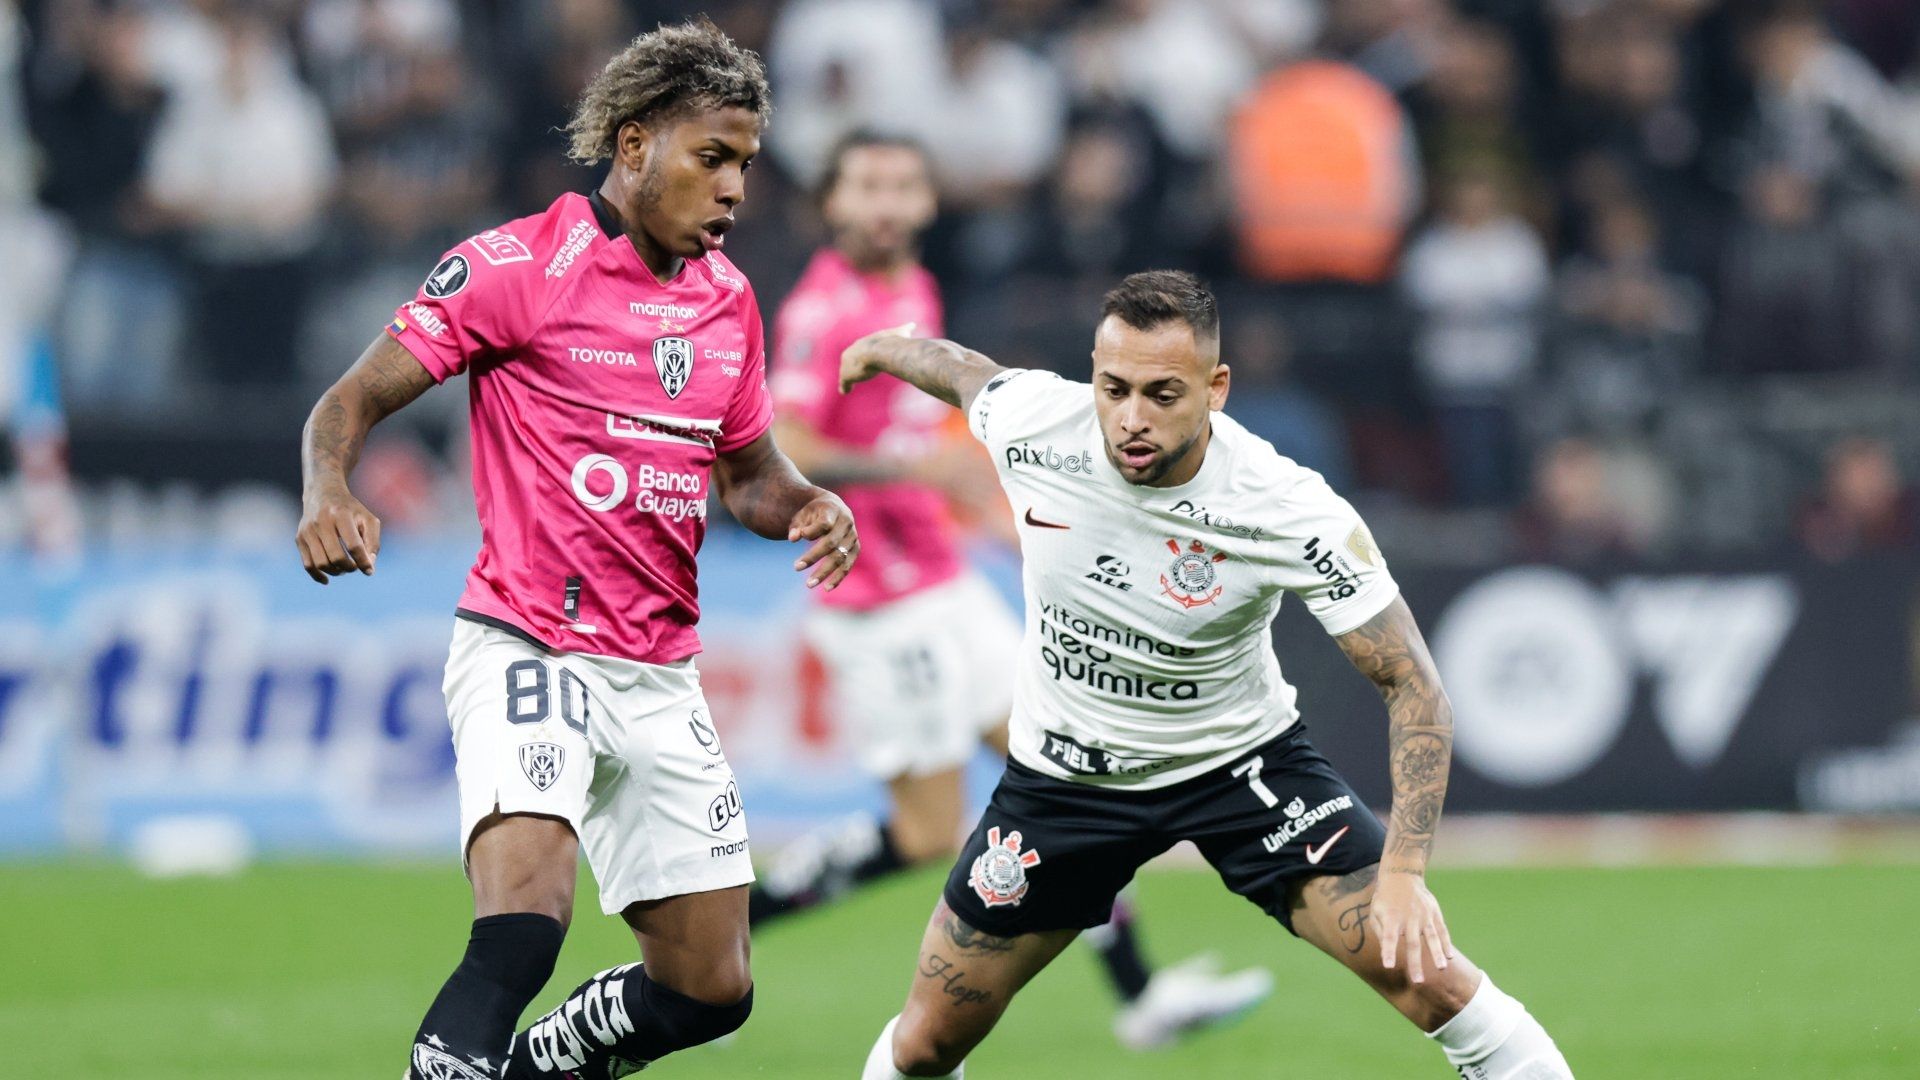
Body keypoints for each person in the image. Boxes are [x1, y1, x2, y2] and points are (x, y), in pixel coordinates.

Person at [294, 21, 861, 1080]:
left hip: (656, 670)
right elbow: (350, 399)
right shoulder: (515, 267)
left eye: (746, 162)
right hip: (527, 640)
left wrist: (811, 506)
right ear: (635, 142)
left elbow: (748, 477)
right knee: (524, 924)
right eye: (713, 157)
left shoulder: (728, 302)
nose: (736, 187)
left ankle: (543, 1066)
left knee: (712, 988)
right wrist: (330, 487)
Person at [841, 271, 1576, 1079]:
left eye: (1163, 394)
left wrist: (1403, 875)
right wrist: (886, 348)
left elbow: (1414, 686)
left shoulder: (1285, 505)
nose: (1131, 419)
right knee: (927, 1042)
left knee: (1432, 982)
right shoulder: (1034, 422)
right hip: (1066, 781)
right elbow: (960, 369)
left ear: (1216, 388)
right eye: (1113, 388)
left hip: (1241, 769)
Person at [755, 130, 1272, 1050]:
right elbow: (790, 444)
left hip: (943, 585)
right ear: (830, 205)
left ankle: (1141, 997)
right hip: (878, 605)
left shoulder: (908, 294)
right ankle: (722, 937)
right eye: (865, 186)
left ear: (926, 202)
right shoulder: (820, 309)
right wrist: (918, 472)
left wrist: (977, 508)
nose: (885, 203)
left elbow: (926, 450)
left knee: (1079, 772)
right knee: (924, 835)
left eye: (903, 184)